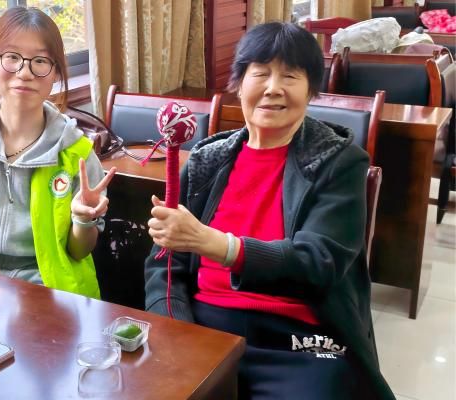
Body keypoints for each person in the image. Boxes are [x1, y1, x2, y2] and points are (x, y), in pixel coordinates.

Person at [144, 22, 395, 399]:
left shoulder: (338, 162)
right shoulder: (206, 161)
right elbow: (164, 265)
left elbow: (318, 262)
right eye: (260, 73)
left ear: (311, 90)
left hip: (299, 340)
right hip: (207, 326)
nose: (273, 87)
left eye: (290, 76)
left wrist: (217, 245)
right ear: (239, 83)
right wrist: (179, 332)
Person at [0, 7, 115, 299]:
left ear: (56, 73)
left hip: (53, 294)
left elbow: (80, 251)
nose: (24, 72)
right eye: (12, 57)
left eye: (40, 61)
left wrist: (82, 219)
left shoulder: (77, 154)